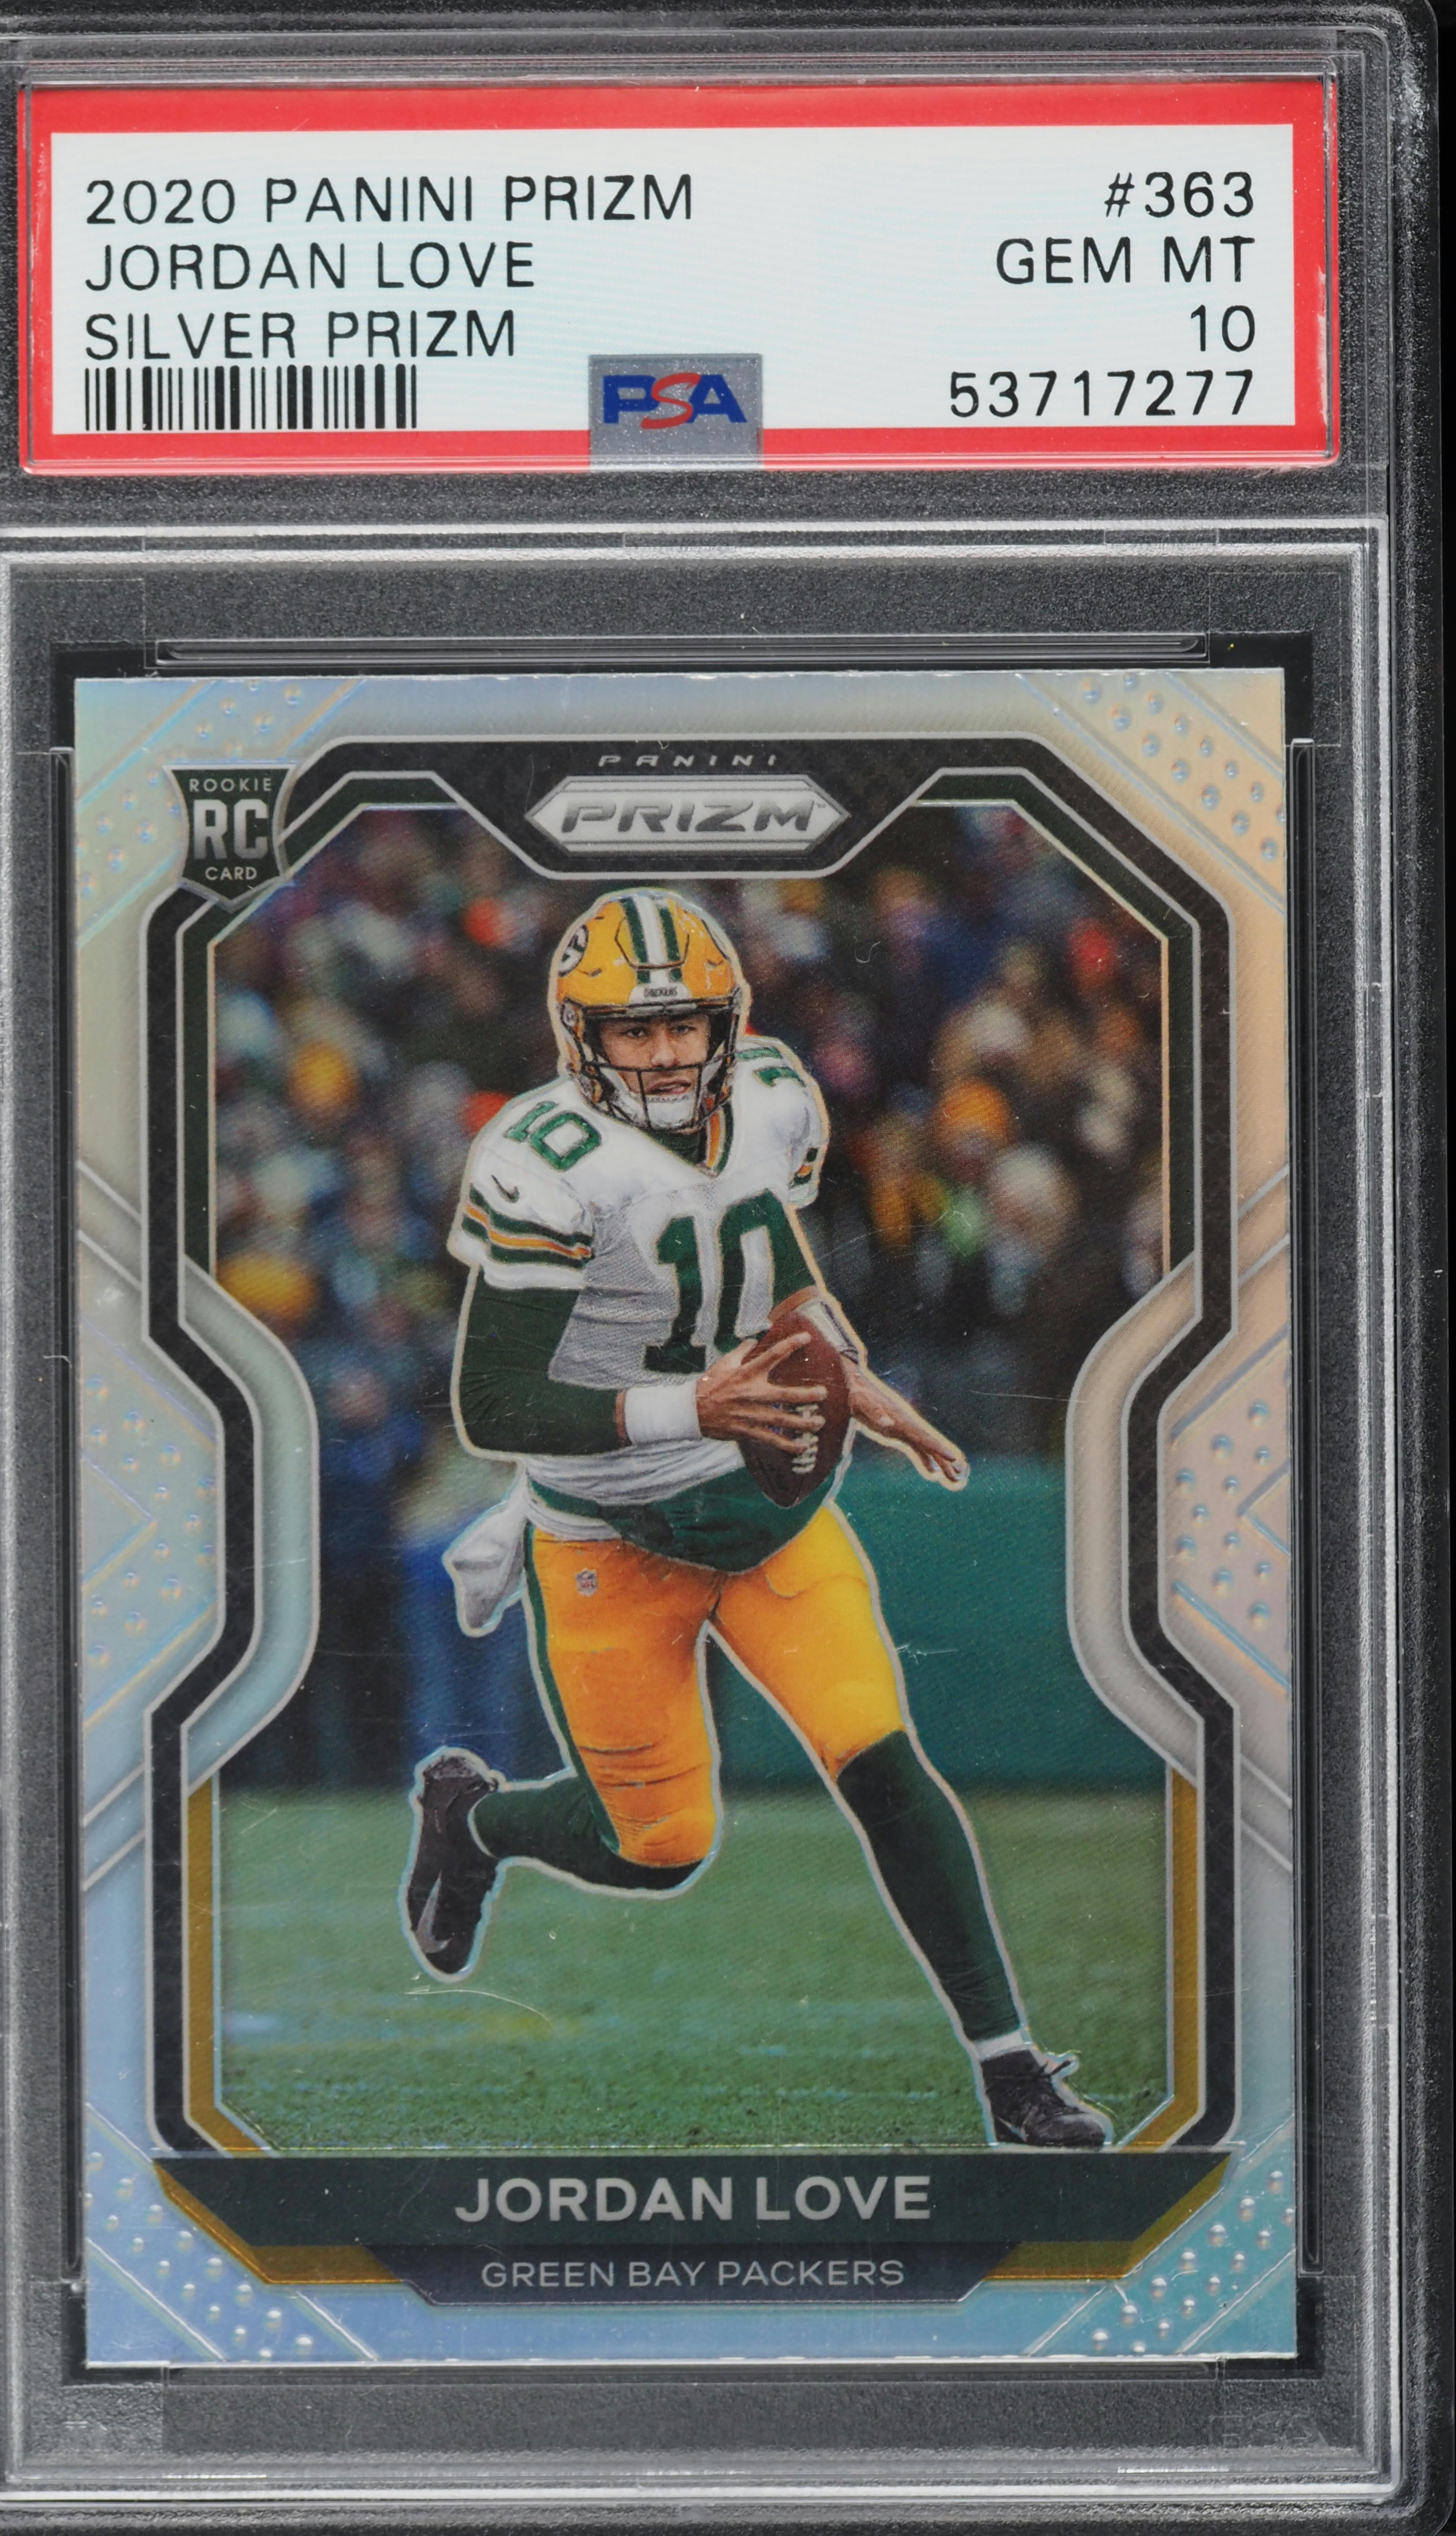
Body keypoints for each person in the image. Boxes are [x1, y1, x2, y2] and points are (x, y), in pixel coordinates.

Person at [402, 890, 1107, 2149]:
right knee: (661, 1844)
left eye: (685, 1024)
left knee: (880, 1756)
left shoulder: (775, 1093)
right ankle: (476, 1819)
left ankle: (1012, 2072)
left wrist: (845, 1361)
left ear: (726, 1022)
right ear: (583, 1039)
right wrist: (697, 1405)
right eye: (635, 1030)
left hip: (766, 1513)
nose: (668, 1052)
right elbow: (493, 1399)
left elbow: (767, 1254)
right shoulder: (546, 1157)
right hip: (610, 1533)